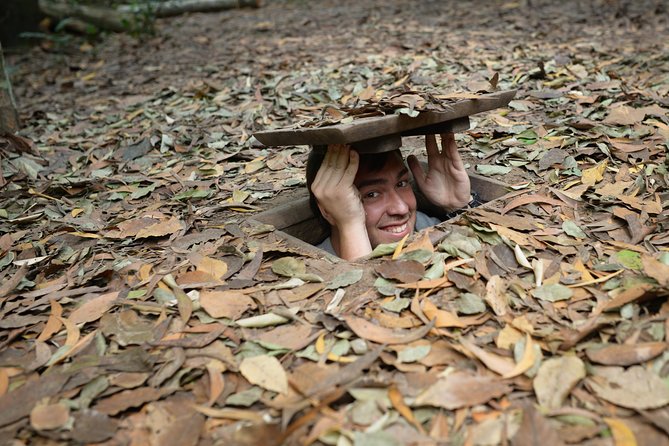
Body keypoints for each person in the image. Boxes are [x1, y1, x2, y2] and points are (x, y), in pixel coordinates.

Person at [306, 133, 471, 260]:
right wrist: (351, 226)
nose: (401, 208)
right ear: (328, 210)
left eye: (401, 184)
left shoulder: (421, 225)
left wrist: (458, 207)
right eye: (372, 194)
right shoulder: (315, 269)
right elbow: (364, 297)